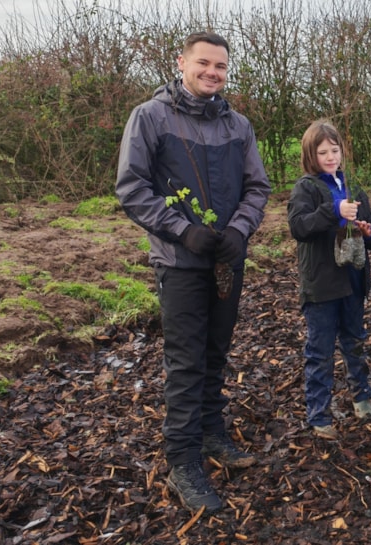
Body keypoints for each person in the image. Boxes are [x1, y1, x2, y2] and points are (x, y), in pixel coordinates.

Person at [115, 31, 271, 514]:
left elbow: (257, 186)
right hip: (180, 261)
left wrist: (240, 231)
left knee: (216, 351)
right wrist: (183, 230)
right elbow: (132, 187)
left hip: (227, 260)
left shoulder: (238, 125)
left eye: (220, 66)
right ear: (181, 62)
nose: (212, 72)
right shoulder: (151, 117)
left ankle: (210, 432)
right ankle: (183, 459)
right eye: (203, 63)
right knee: (185, 361)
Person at [286, 119, 371, 441]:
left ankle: (362, 397)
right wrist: (333, 209)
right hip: (322, 284)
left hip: (353, 280)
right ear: (310, 154)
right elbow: (299, 228)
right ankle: (319, 413)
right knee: (320, 349)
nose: (330, 157)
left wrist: (368, 232)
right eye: (322, 151)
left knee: (355, 341)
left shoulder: (352, 186)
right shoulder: (306, 188)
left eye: (334, 150)